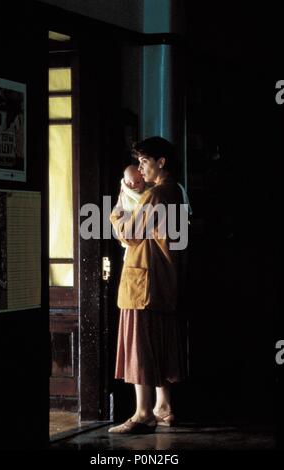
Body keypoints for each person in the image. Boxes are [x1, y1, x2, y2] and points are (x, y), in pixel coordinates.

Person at [109, 136, 187, 434]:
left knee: (140, 346)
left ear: (161, 162)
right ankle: (163, 405)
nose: (140, 169)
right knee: (159, 342)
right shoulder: (175, 191)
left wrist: (116, 214)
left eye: (144, 161)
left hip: (144, 281)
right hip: (163, 279)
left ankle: (143, 413)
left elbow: (129, 233)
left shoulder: (155, 196)